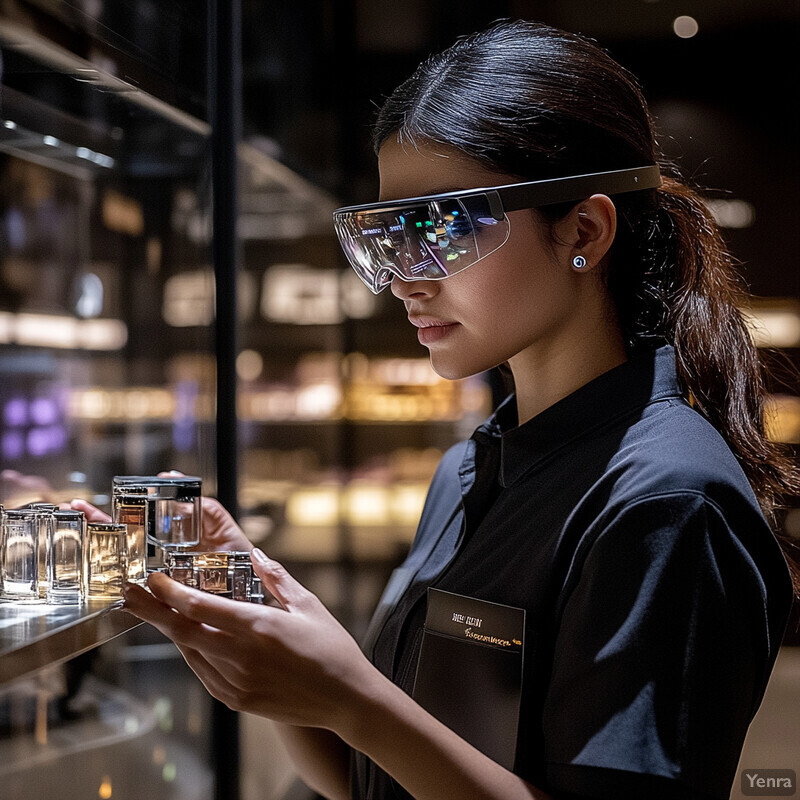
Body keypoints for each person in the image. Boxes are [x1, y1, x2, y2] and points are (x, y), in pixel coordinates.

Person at [121, 19, 799, 800]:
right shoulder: (471, 467)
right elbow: (369, 777)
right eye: (387, 235)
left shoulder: (668, 503)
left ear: (584, 229)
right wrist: (260, 614)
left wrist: (350, 695)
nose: (406, 278)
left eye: (440, 227)